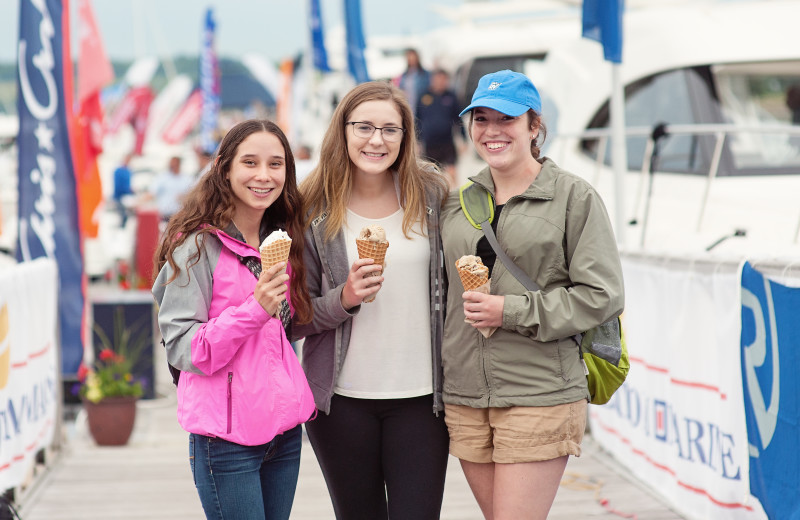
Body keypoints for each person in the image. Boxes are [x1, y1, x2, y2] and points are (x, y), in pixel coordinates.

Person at [440, 70, 625, 520]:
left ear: (534, 125)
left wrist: (511, 311)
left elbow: (602, 295)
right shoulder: (456, 202)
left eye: (507, 119)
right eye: (481, 118)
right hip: (465, 396)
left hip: (539, 392)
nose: (492, 130)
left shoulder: (573, 197)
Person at [294, 81, 450, 519]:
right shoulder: (313, 208)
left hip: (423, 399)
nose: (376, 140)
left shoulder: (433, 196)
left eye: (390, 130)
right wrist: (341, 299)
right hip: (340, 402)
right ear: (342, 131)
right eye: (364, 127)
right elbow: (293, 317)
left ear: (405, 137)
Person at [151, 120, 316, 520]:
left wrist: (346, 299)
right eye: (251, 162)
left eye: (276, 164)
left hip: (284, 433)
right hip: (226, 440)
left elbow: (288, 326)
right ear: (224, 168)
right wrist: (254, 309)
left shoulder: (282, 238)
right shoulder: (195, 245)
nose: (264, 175)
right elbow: (184, 347)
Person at [416, 68, 465, 187]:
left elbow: (459, 119)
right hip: (430, 142)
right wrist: (417, 141)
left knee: (452, 170)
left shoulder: (451, 96)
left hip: (447, 141)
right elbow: (416, 119)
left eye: (444, 79)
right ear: (432, 80)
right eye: (438, 79)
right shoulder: (424, 96)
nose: (441, 82)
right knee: (431, 173)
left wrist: (463, 140)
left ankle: (456, 192)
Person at [150, 155, 194, 222]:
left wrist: (184, 197)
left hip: (180, 217)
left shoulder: (187, 179)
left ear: (179, 164)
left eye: (174, 164)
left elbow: (192, 197)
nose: (172, 165)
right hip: (164, 216)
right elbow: (152, 193)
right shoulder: (162, 177)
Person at [394, 48, 430, 117]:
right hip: (408, 107)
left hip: (422, 107)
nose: (411, 59)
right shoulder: (404, 75)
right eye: (409, 57)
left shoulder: (425, 75)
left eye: (413, 57)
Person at [112, 152, 135, 227]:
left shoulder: (128, 171)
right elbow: (118, 185)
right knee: (122, 216)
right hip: (119, 196)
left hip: (127, 196)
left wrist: (131, 190)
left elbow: (128, 184)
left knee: (126, 216)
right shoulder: (118, 171)